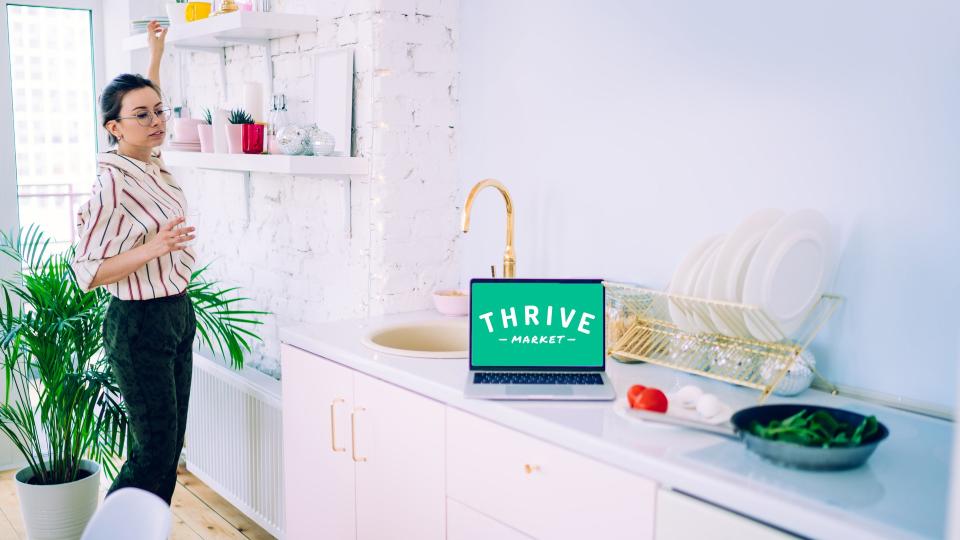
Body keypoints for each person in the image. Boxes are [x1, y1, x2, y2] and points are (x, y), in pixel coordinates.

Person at [71, 20, 197, 505]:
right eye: (142, 115)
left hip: (176, 313)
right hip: (139, 323)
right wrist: (155, 246)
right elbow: (88, 272)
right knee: (153, 452)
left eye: (160, 112)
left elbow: (148, 102)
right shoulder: (114, 183)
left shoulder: (148, 162)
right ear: (114, 128)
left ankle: (148, 529)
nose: (157, 120)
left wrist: (156, 53)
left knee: (166, 445)